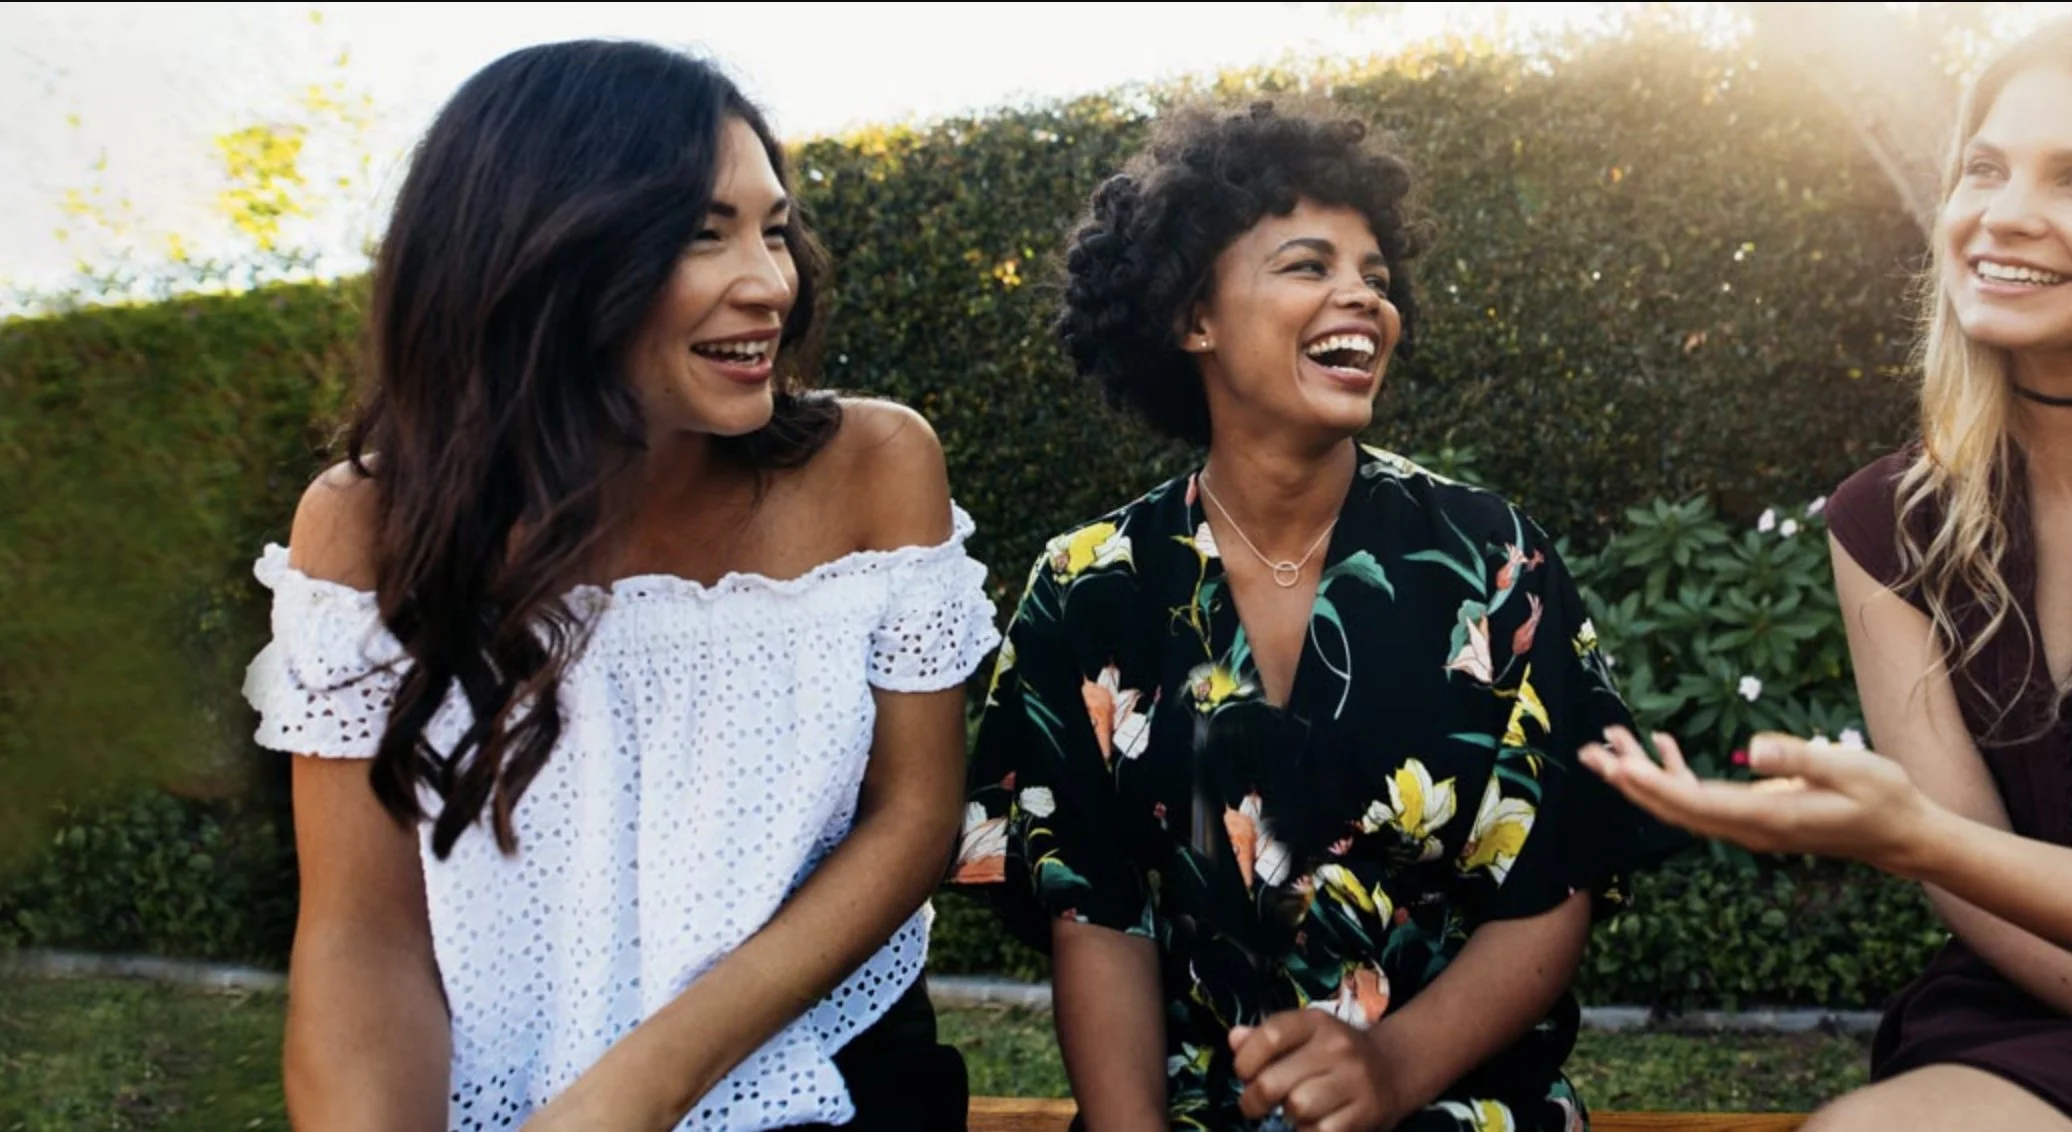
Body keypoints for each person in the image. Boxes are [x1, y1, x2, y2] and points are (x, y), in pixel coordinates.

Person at [1576, 9, 2072, 1131]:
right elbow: (1975, 883)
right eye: (1983, 169)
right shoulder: (1885, 521)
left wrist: (1912, 836)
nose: (2003, 215)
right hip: (2053, 1000)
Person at [248, 40, 997, 1132]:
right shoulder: (360, 526)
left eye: (774, 227)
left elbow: (914, 816)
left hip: (824, 1082)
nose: (771, 282)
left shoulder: (874, 466)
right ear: (539, 255)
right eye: (703, 234)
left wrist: (635, 1090)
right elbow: (363, 937)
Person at [951, 101, 1680, 1132]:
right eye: (1307, 265)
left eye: (1375, 277)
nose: (1360, 297)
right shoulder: (1087, 587)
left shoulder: (1490, 560)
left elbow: (1553, 881)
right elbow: (1094, 913)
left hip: (1453, 1105)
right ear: (1189, 317)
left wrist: (1389, 1069)